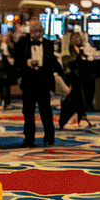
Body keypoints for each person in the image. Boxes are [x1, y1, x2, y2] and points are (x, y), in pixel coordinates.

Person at [14, 19, 65, 147]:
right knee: (28, 111)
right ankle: (29, 139)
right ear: (30, 32)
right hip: (29, 79)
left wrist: (62, 73)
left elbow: (52, 59)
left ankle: (49, 138)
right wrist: (26, 63)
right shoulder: (23, 42)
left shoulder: (48, 43)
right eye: (34, 31)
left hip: (43, 79)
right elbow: (17, 60)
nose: (37, 34)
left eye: (39, 31)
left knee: (46, 111)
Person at [59, 31, 93, 128]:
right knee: (76, 98)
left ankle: (81, 117)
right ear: (71, 40)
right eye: (75, 38)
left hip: (80, 79)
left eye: (79, 38)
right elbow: (68, 62)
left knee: (78, 99)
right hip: (72, 78)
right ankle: (81, 117)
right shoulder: (69, 50)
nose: (77, 40)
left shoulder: (82, 50)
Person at [0, 30, 16, 109]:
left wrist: (8, 56)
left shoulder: (11, 46)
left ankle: (6, 101)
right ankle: (2, 100)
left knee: (6, 86)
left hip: (7, 67)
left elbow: (14, 55)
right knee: (0, 85)